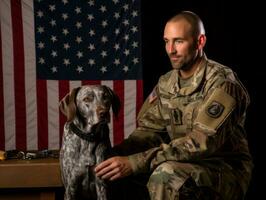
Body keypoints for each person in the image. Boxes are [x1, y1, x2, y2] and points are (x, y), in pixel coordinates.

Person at [95, 11, 253, 199]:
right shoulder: (167, 83)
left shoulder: (222, 84)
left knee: (166, 175)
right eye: (166, 41)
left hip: (224, 170)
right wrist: (112, 155)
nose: (171, 50)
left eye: (178, 41)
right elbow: (149, 132)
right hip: (183, 163)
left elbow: (201, 143)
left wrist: (135, 162)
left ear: (200, 42)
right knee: (112, 175)